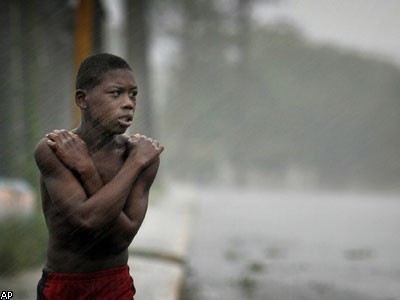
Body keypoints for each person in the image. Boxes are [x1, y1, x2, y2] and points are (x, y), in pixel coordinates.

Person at [34, 53, 164, 299]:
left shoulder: (141, 157)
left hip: (115, 285)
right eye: (116, 93)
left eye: (133, 94)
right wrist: (132, 165)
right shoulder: (54, 149)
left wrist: (88, 168)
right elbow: (87, 219)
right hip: (64, 285)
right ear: (83, 99)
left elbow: (120, 240)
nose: (128, 103)